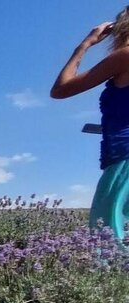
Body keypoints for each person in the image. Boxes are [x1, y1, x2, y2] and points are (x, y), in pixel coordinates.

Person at [51, 6, 129, 240]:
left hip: (125, 157)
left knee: (106, 239)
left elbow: (61, 89)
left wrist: (85, 44)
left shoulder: (124, 56)